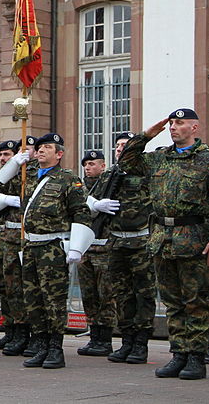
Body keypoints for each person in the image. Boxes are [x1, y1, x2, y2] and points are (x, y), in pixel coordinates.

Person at [119, 109, 209, 380]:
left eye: (180, 123)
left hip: (193, 235)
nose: (173, 127)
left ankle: (196, 357)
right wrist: (146, 135)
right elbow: (126, 162)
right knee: (172, 302)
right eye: (171, 123)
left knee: (195, 301)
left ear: (194, 128)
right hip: (162, 237)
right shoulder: (159, 157)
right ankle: (178, 354)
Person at [0, 133, 92, 369]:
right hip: (29, 246)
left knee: (53, 300)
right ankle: (40, 345)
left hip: (53, 246)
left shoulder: (68, 179)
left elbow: (80, 212)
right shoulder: (26, 177)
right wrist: (14, 163)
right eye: (38, 147)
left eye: (47, 147)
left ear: (59, 154)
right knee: (33, 299)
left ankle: (55, 348)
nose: (40, 150)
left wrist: (77, 247)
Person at [85, 133, 156, 364]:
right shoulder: (109, 175)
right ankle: (126, 341)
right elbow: (88, 201)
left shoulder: (148, 171)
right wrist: (97, 204)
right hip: (116, 242)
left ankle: (140, 344)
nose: (119, 150)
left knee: (143, 294)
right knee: (122, 294)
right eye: (117, 146)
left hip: (142, 241)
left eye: (124, 146)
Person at [0, 139, 27, 352]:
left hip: (18, 238)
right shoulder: (1, 177)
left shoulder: (25, 176)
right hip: (1, 238)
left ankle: (22, 332)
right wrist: (4, 199)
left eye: (8, 154)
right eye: (1, 155)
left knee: (17, 287)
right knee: (4, 287)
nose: (3, 158)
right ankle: (9, 329)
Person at [76, 150, 116, 357]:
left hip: (105, 248)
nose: (88, 168)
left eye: (92, 164)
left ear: (103, 166)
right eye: (86, 164)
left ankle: (105, 339)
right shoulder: (79, 188)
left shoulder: (110, 185)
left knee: (105, 295)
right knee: (88, 294)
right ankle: (94, 335)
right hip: (85, 248)